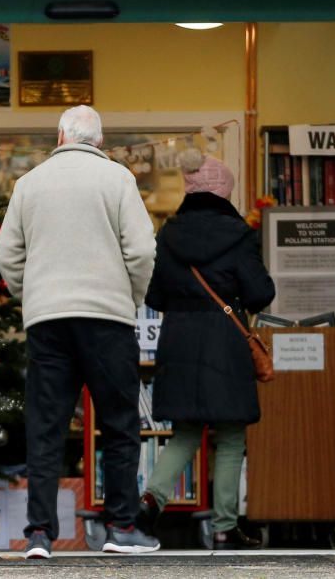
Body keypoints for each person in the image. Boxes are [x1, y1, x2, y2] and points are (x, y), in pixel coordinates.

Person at [0, 105, 160, 560]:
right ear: (100, 142)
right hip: (108, 319)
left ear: (60, 135)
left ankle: (39, 535)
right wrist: (132, 298)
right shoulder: (119, 180)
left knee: (46, 429)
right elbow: (143, 250)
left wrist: (31, 294)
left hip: (48, 321)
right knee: (119, 426)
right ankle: (121, 527)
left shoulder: (29, 184)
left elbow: (7, 253)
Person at [137, 148, 275, 550]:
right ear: (223, 193)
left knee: (184, 434)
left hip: (179, 340)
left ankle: (150, 500)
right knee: (231, 437)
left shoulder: (168, 234)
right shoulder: (239, 236)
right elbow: (260, 292)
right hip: (226, 345)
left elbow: (154, 296)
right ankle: (225, 527)